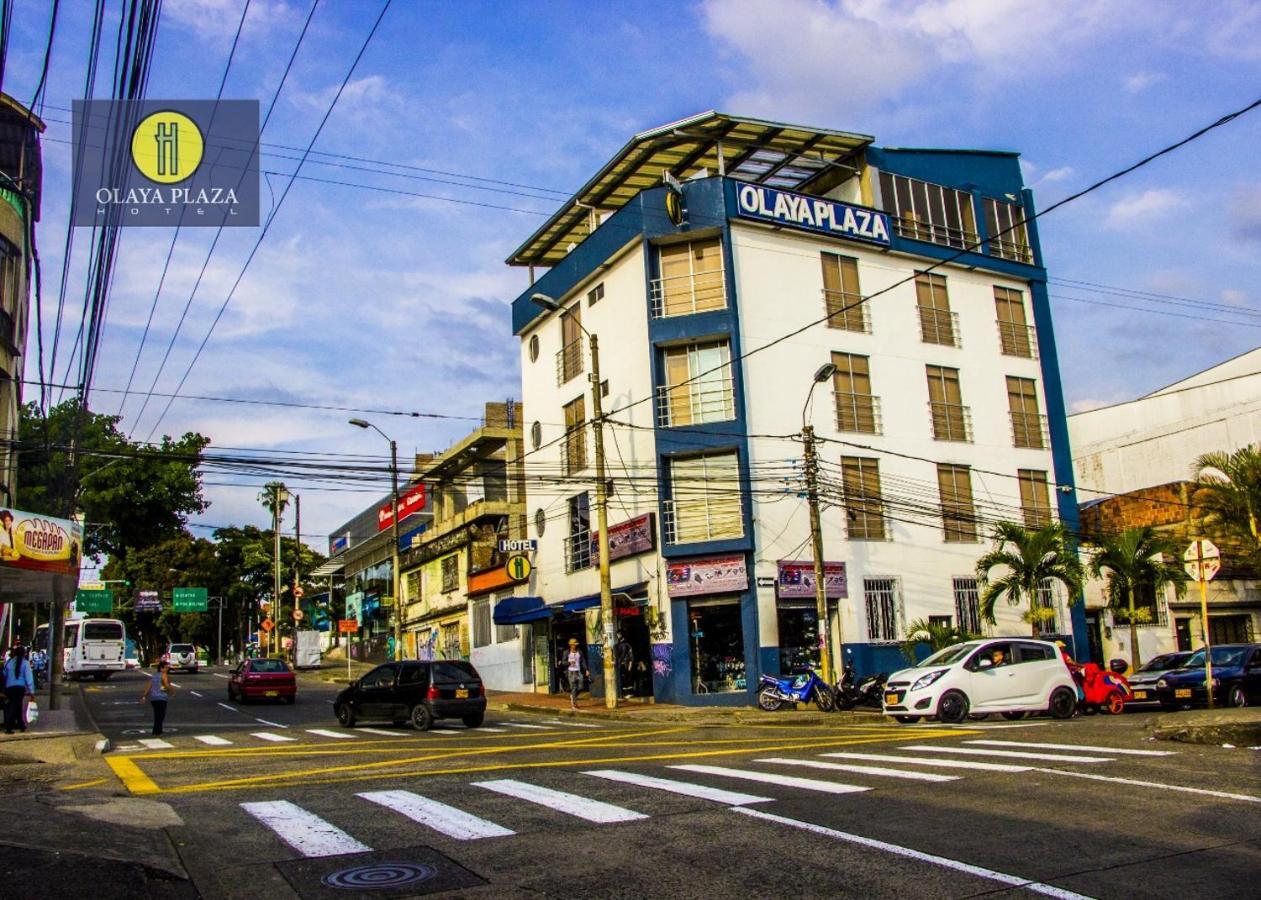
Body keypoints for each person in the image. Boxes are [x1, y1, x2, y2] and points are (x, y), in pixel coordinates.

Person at [4, 646, 35, 734]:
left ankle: (21, 724)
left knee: (16, 706)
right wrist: (32, 692)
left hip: (9, 688)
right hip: (19, 688)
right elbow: (29, 679)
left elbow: (4, 674)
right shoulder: (25, 663)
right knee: (15, 707)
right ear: (24, 654)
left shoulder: (9, 662)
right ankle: (9, 727)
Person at [141, 660, 173, 736]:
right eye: (165, 668)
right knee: (161, 715)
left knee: (157, 714)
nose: (167, 669)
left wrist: (144, 696)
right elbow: (167, 685)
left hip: (153, 698)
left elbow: (148, 686)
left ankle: (157, 730)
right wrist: (171, 691)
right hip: (161, 698)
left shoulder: (154, 676)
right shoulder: (164, 675)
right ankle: (157, 731)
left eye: (167, 667)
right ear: (161, 668)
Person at [564, 637, 588, 710]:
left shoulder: (579, 652)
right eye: (573, 644)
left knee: (581, 686)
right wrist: (569, 662)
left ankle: (573, 696)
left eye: (575, 644)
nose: (574, 646)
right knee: (573, 688)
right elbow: (563, 662)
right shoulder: (567, 652)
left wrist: (586, 669)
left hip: (578, 671)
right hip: (570, 671)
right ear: (570, 645)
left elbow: (583, 661)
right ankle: (574, 704)